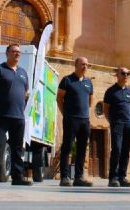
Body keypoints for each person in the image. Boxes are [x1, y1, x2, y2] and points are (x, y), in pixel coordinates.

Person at [0, 44, 32, 186]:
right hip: (0, 115)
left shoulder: (23, 72)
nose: (17, 54)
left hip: (18, 116)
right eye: (14, 51)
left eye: (19, 52)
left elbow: (26, 93)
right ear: (7, 53)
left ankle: (17, 177)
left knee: (17, 147)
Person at [57, 57, 93, 187]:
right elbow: (59, 98)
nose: (85, 66)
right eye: (83, 64)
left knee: (82, 149)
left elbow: (90, 101)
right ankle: (64, 177)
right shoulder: (67, 80)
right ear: (76, 65)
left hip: (84, 120)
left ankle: (79, 177)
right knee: (67, 148)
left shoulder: (89, 82)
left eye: (87, 64)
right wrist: (65, 114)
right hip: (71, 119)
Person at [104, 67, 130, 187]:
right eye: (123, 73)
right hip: (117, 124)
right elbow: (106, 109)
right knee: (116, 149)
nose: (126, 75)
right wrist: (112, 121)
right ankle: (113, 177)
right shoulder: (110, 91)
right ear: (117, 75)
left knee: (126, 151)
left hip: (128, 124)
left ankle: (122, 176)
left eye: (128, 73)